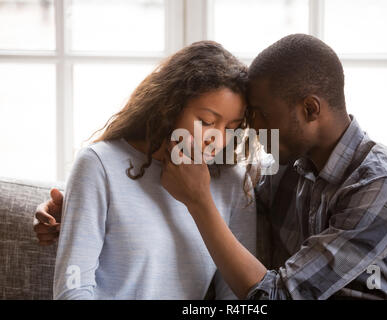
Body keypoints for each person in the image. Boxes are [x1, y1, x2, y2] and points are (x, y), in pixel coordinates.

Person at [35, 34, 387, 300]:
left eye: (249, 121)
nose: (251, 135)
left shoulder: (383, 187)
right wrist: (76, 213)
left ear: (309, 110)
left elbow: (273, 297)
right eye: (212, 121)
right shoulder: (288, 164)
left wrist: (199, 201)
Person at [38, 40, 258, 299]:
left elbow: (240, 298)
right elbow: (72, 291)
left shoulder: (233, 183)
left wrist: (200, 199)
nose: (219, 140)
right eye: (207, 122)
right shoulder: (98, 165)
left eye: (231, 127)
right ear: (170, 107)